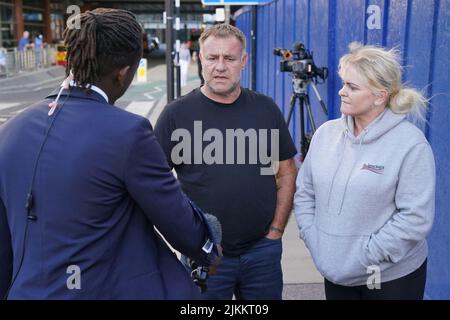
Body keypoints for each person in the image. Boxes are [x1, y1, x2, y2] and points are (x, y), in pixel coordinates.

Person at [0, 8, 220, 300]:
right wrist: (209, 246)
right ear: (123, 73)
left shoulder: (11, 130)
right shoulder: (128, 133)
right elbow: (177, 219)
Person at [154, 23, 298, 300]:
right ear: (200, 59)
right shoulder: (176, 115)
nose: (220, 66)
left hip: (262, 253)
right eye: (212, 58)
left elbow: (286, 173)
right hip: (204, 254)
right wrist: (187, 239)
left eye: (229, 58)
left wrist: (276, 231)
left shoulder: (265, 109)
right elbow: (154, 186)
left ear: (243, 61)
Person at [294, 42, 435, 300]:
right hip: (335, 271)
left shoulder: (410, 144)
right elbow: (305, 193)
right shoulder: (325, 134)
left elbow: (415, 218)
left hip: (386, 276)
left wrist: (364, 256)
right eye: (343, 83)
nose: (341, 92)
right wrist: (315, 241)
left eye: (352, 87)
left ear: (380, 96)